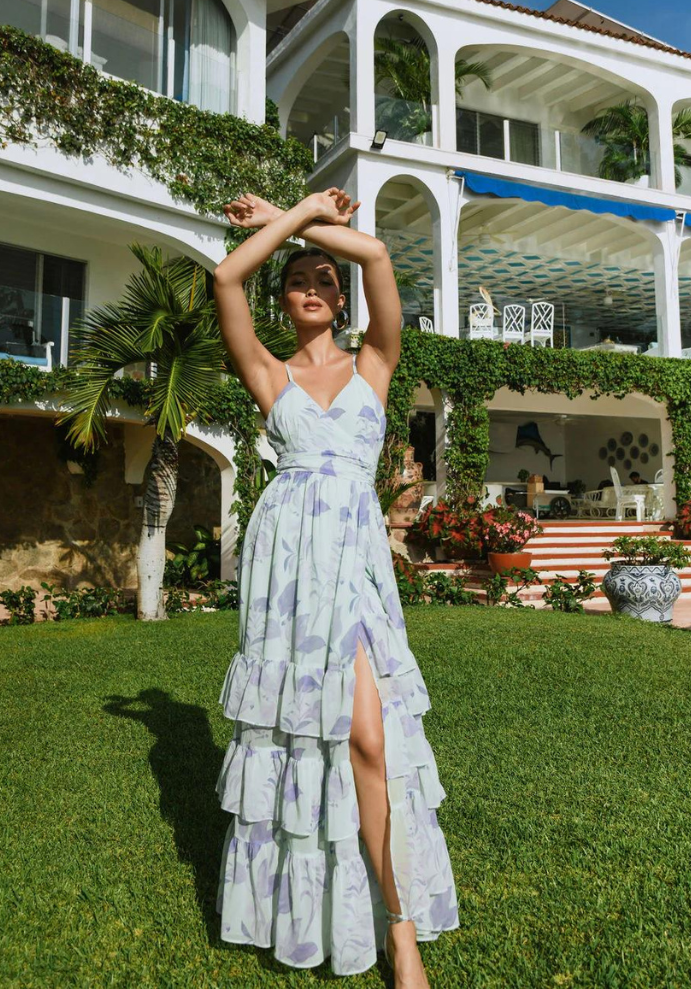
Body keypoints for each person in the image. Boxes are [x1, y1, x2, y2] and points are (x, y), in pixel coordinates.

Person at [212, 189, 458, 984]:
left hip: (354, 562)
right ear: (284, 301)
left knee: (370, 738)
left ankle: (400, 927)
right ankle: (323, 903)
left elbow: (377, 255)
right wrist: (285, 226)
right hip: (286, 567)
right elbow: (225, 279)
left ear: (342, 299)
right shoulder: (269, 373)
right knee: (308, 735)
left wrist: (288, 216)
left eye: (325, 278)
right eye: (297, 279)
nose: (313, 286)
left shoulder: (374, 363)